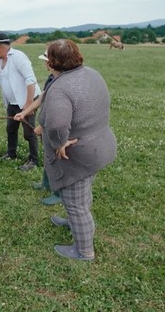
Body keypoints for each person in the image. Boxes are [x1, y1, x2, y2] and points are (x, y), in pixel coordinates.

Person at [37, 39, 117, 260]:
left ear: (51, 63)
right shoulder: (92, 73)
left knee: (76, 205)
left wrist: (59, 142)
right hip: (100, 146)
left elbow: (57, 125)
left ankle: (84, 250)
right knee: (81, 193)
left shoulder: (60, 88)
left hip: (80, 156)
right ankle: (73, 223)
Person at [0, 32, 41, 171]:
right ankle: (11, 154)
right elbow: (1, 80)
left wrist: (28, 105)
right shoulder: (1, 60)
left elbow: (31, 80)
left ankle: (33, 160)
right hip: (13, 102)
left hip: (27, 101)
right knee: (11, 128)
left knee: (29, 132)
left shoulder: (18, 57)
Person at [14, 49, 61, 205]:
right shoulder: (52, 77)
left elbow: (58, 108)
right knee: (48, 155)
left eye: (46, 60)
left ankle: (59, 192)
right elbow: (42, 97)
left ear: (53, 62)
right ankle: (46, 184)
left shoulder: (63, 81)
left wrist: (42, 125)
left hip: (57, 126)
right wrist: (25, 112)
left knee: (57, 159)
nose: (44, 63)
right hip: (48, 124)